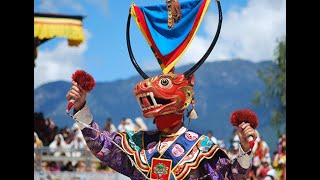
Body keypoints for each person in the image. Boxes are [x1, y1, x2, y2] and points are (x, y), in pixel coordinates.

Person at [65, 1, 257, 179]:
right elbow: (100, 144)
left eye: (165, 85)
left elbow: (231, 177)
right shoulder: (138, 144)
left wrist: (245, 148)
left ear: (187, 98)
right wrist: (81, 105)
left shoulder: (201, 148)